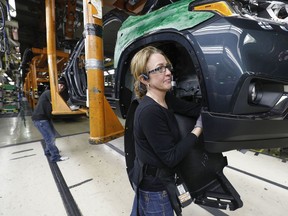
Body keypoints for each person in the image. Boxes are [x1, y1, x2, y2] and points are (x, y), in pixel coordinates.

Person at [129, 46, 203, 216]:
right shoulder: (150, 112)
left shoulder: (166, 98)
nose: (168, 72)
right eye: (159, 69)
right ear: (144, 79)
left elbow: (191, 109)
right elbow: (170, 157)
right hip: (155, 190)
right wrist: (198, 129)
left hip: (155, 180)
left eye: (167, 66)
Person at [32, 79, 69, 163]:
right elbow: (56, 105)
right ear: (55, 85)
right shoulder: (49, 92)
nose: (61, 87)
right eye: (59, 84)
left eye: (63, 86)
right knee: (50, 137)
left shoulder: (53, 94)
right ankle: (55, 157)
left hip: (44, 118)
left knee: (51, 136)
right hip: (40, 119)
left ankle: (48, 151)